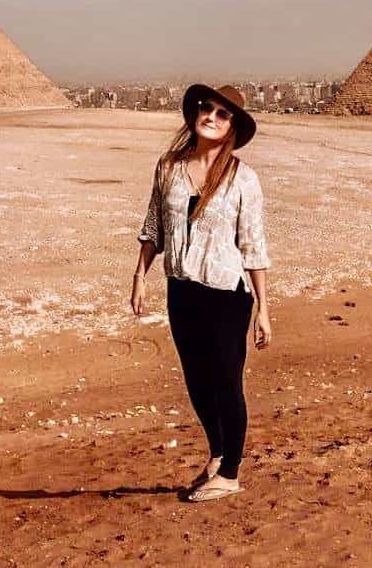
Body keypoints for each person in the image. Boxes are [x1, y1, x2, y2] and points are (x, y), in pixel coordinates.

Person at [130, 83, 272, 502]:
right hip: (182, 289)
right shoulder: (169, 167)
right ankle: (216, 454)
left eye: (222, 114)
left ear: (232, 127)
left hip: (227, 294)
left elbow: (253, 244)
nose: (210, 116)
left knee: (227, 380)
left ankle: (230, 471)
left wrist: (264, 308)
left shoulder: (244, 178)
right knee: (196, 381)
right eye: (205, 108)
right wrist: (140, 276)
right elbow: (153, 224)